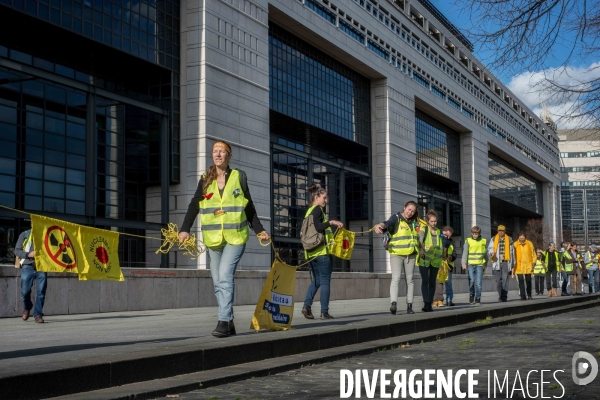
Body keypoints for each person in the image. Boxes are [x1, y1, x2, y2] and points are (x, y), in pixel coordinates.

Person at [179, 141, 270, 337]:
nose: (218, 155)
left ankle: (222, 320)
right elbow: (195, 204)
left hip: (235, 237)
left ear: (229, 155)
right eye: (215, 152)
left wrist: (259, 229)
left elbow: (249, 206)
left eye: (222, 152)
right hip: (213, 238)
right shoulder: (205, 179)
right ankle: (229, 322)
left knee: (225, 276)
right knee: (217, 281)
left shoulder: (239, 176)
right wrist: (185, 229)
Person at [301, 183, 344, 320]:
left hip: (311, 253)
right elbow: (319, 227)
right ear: (316, 197)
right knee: (325, 281)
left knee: (317, 280)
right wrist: (331, 222)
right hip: (322, 252)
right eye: (324, 198)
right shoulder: (318, 210)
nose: (325, 201)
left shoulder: (308, 212)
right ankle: (324, 312)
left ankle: (307, 306)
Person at [374, 201, 419, 315]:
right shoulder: (396, 218)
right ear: (404, 207)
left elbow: (416, 237)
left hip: (411, 255)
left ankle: (410, 305)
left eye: (412, 211)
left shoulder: (414, 222)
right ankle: (393, 303)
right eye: (409, 209)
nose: (410, 212)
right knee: (396, 278)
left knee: (410, 280)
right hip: (397, 254)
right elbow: (387, 224)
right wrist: (381, 225)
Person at [15, 228, 47, 323]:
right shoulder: (24, 234)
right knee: (25, 292)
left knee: (41, 292)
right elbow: (17, 250)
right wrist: (28, 254)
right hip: (27, 266)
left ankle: (38, 315)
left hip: (42, 266)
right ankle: (27, 307)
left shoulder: (46, 235)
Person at [418, 210, 441, 312]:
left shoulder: (438, 231)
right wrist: (420, 250)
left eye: (435, 221)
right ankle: (426, 302)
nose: (433, 223)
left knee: (432, 282)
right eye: (431, 221)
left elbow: (440, 245)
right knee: (425, 281)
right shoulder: (424, 230)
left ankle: (430, 303)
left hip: (435, 261)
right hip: (424, 260)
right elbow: (419, 241)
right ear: (427, 221)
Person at [487, 224, 515, 302]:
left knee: (505, 280)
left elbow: (512, 252)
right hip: (496, 262)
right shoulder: (493, 239)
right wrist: (492, 253)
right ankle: (500, 295)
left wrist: (513, 263)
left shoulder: (509, 239)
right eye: (499, 231)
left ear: (505, 231)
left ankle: (504, 296)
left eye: (502, 231)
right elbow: (489, 249)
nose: (501, 232)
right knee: (498, 281)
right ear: (497, 231)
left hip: (506, 262)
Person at [461, 226, 487, 305]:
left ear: (479, 234)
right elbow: (465, 253)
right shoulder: (468, 241)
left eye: (476, 234)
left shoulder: (483, 241)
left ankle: (478, 298)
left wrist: (486, 262)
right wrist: (463, 263)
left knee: (479, 283)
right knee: (471, 281)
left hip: (479, 264)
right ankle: (472, 294)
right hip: (471, 264)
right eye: (473, 234)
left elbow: (485, 253)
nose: (474, 235)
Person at [432, 226, 456, 307]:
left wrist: (451, 257)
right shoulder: (439, 239)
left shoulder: (452, 242)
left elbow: (455, 253)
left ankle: (449, 299)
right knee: (439, 282)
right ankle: (436, 299)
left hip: (448, 265)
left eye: (450, 236)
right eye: (446, 235)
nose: (448, 237)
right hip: (440, 264)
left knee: (449, 283)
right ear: (443, 233)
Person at [513, 232, 535, 300]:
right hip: (519, 265)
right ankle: (523, 296)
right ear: (518, 237)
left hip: (528, 265)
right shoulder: (515, 244)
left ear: (525, 237)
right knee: (521, 280)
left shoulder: (529, 243)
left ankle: (529, 294)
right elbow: (512, 255)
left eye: (523, 236)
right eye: (520, 236)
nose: (522, 238)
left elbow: (533, 253)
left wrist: (534, 262)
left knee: (528, 281)